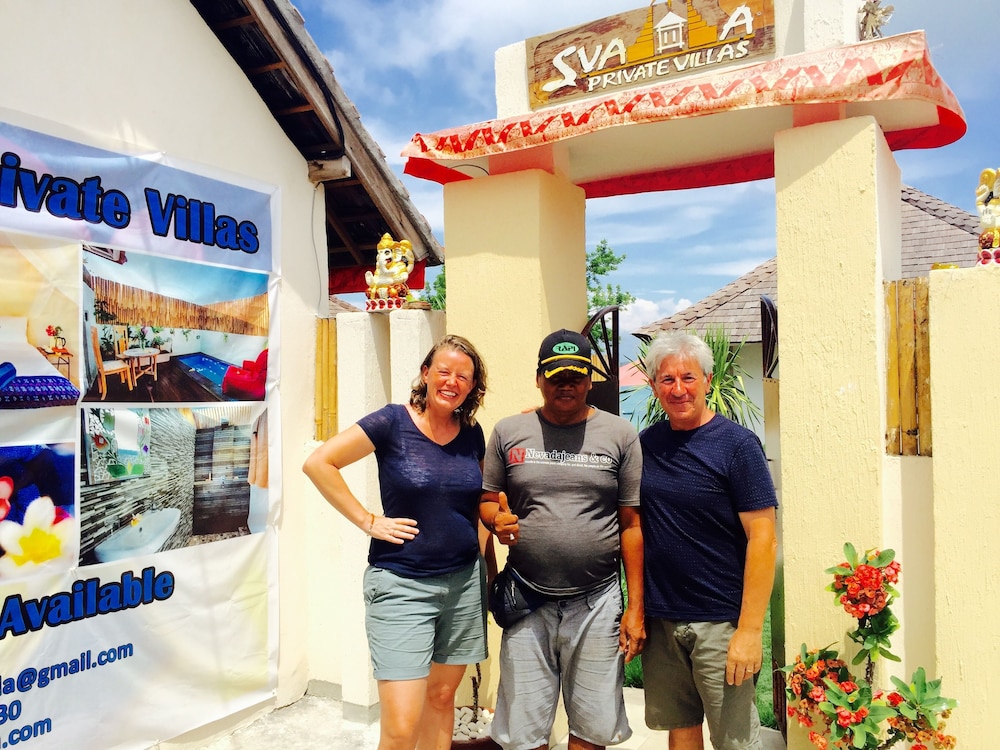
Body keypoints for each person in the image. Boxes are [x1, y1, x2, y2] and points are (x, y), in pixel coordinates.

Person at [303, 334, 495, 750]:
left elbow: (480, 502)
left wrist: (485, 563)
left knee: (442, 698)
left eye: (463, 376)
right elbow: (319, 462)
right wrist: (368, 520)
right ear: (425, 373)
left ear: (472, 386)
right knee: (402, 727)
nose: (452, 382)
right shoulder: (392, 421)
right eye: (443, 371)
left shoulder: (472, 433)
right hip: (402, 586)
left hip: (463, 585)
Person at [480, 328, 644, 750]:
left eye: (575, 376)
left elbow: (631, 524)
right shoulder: (509, 431)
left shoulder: (621, 435)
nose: (565, 385)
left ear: (590, 381)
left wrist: (636, 608)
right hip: (527, 599)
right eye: (556, 376)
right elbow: (487, 501)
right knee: (524, 734)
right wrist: (496, 520)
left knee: (591, 731)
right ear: (539, 379)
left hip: (597, 603)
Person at [638, 331, 778, 750]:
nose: (678, 389)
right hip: (663, 619)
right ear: (654, 386)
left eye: (688, 377)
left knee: (735, 741)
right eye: (667, 379)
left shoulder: (738, 446)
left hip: (721, 621)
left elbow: (763, 539)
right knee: (681, 728)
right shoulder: (647, 445)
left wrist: (749, 631)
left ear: (708, 380)